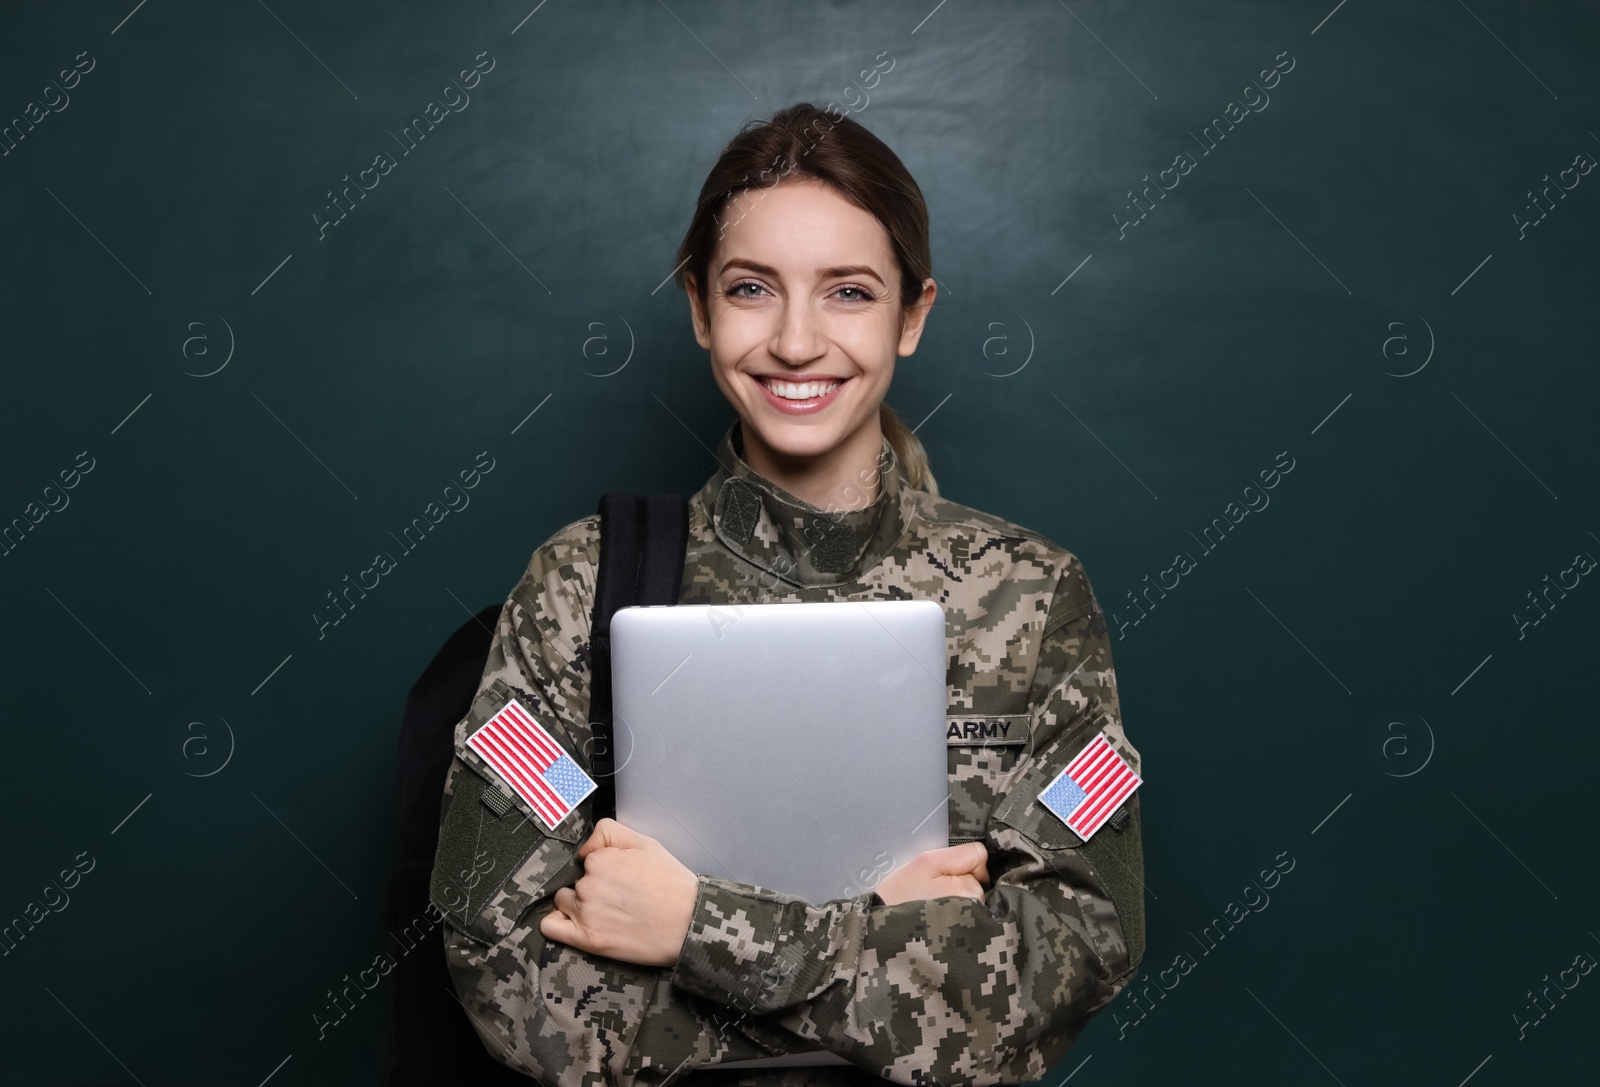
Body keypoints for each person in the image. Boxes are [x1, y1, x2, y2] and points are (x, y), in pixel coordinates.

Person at [430, 101, 1145, 1086]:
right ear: (698, 307)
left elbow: (1066, 962)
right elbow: (504, 971)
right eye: (752, 289)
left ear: (912, 316)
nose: (797, 341)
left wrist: (689, 928)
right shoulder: (575, 587)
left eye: (848, 292)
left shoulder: (1034, 602)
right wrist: (888, 957)